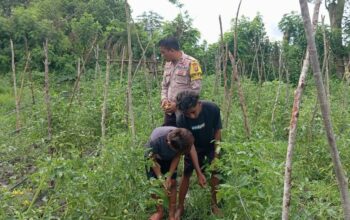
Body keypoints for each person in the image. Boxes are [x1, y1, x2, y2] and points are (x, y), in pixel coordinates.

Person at [175, 90, 223, 219]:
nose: (191, 116)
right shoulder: (181, 119)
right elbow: (190, 147)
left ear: (199, 103)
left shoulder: (212, 109)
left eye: (193, 111)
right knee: (186, 174)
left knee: (216, 171)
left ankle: (214, 204)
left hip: (211, 144)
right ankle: (180, 206)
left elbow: (218, 133)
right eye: (187, 113)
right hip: (193, 146)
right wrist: (199, 172)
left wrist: (216, 157)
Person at [145, 126, 206, 220]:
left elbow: (176, 157)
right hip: (153, 159)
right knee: (155, 185)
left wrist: (169, 177)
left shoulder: (182, 140)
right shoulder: (156, 140)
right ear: (169, 143)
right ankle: (159, 211)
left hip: (170, 159)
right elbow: (152, 160)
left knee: (172, 183)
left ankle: (171, 214)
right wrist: (161, 179)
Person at [159, 36, 203, 127]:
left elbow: (196, 89)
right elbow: (164, 86)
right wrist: (164, 100)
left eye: (163, 52)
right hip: (170, 113)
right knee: (168, 136)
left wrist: (178, 105)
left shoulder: (191, 63)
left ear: (171, 50)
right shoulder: (168, 65)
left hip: (185, 111)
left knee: (185, 137)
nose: (162, 55)